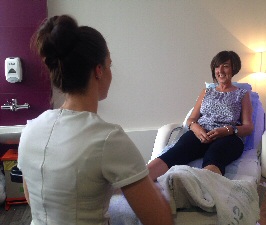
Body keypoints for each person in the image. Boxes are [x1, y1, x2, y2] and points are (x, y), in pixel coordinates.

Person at [17, 15, 173, 225]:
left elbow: (32, 198)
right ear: (99, 70)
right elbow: (159, 220)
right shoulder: (108, 138)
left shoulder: (30, 130)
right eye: (109, 64)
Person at [148, 50, 254, 180]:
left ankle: (199, 192)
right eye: (217, 66)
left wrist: (227, 130)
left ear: (234, 68)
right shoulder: (206, 92)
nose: (220, 70)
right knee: (177, 151)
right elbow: (192, 119)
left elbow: (248, 127)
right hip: (201, 133)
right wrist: (196, 128)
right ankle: (137, 184)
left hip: (228, 137)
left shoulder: (242, 94)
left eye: (225, 66)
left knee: (215, 155)